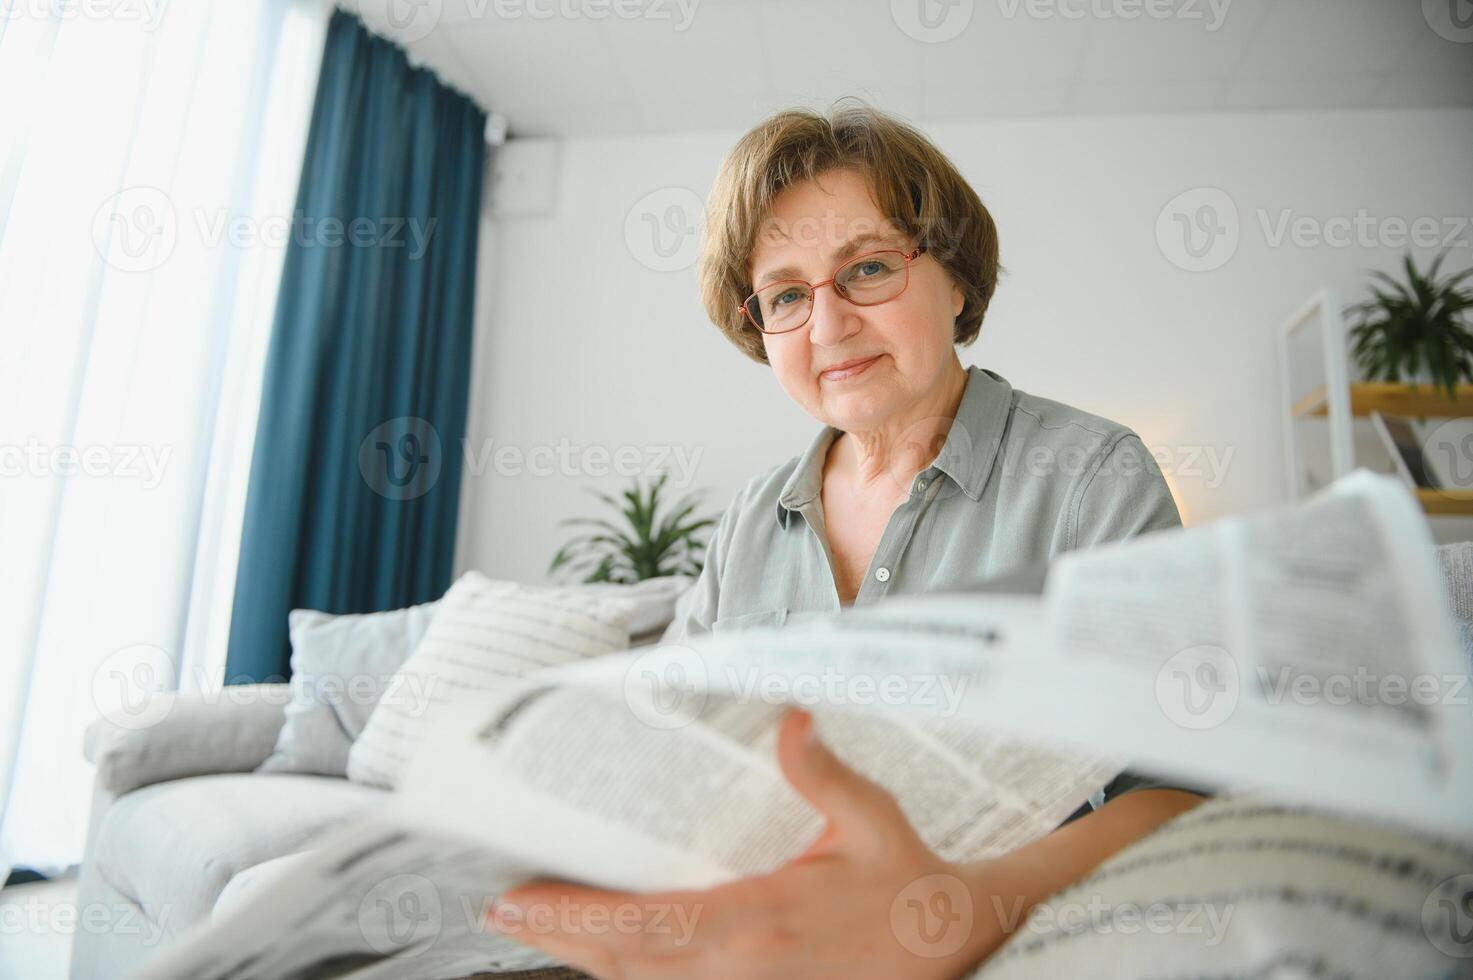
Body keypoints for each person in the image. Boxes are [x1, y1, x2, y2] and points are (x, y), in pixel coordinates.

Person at [489, 100, 1205, 978]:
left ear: (957, 282)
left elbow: (1177, 792)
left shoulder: (1090, 477)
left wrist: (957, 913)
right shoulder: (751, 521)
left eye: (866, 269)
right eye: (787, 294)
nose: (827, 326)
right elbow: (672, 757)